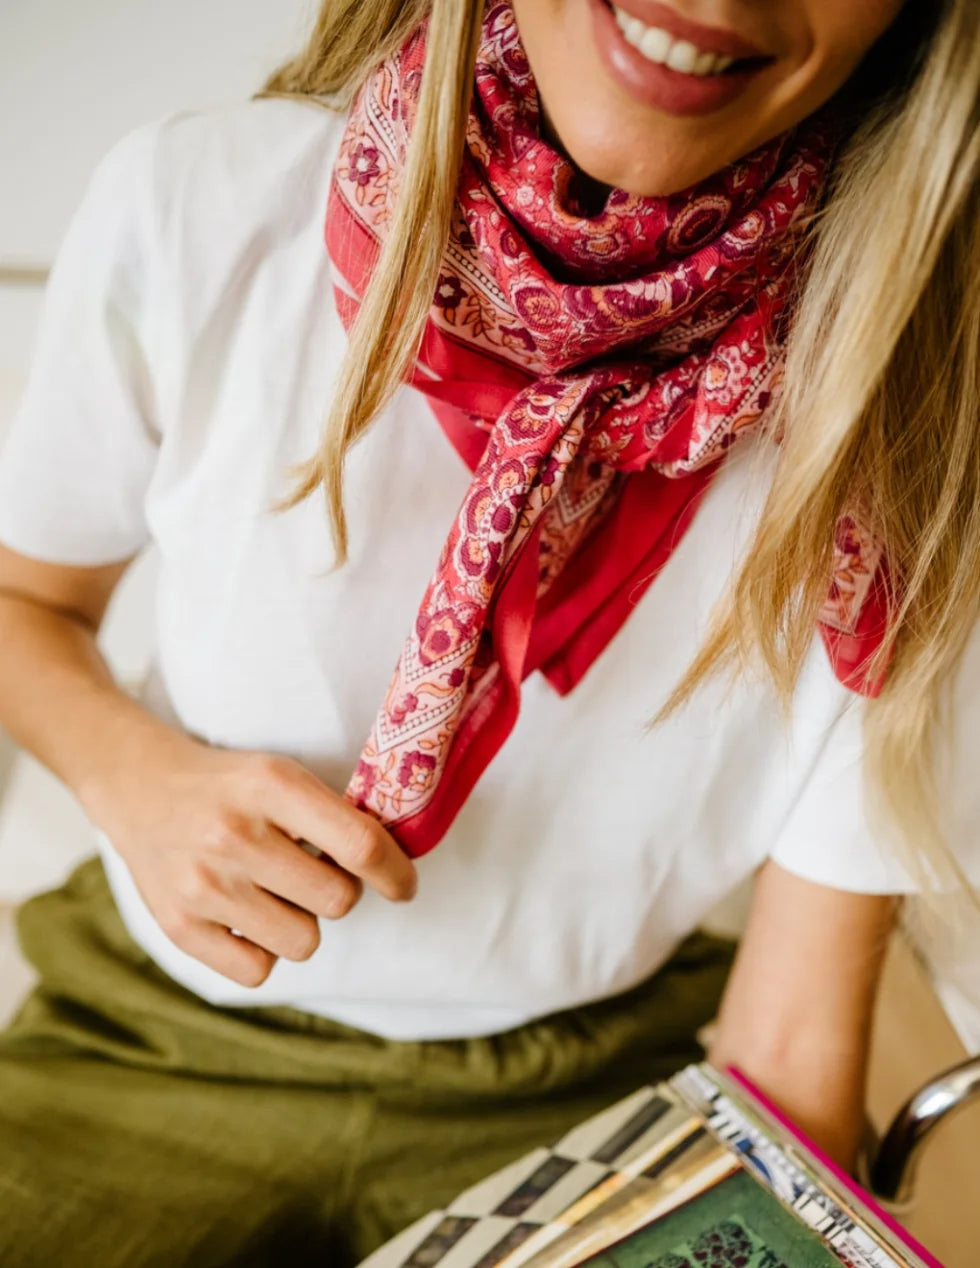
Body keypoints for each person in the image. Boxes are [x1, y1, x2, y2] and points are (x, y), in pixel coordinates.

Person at [0, 0, 976, 1263]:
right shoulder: (199, 207)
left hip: (602, 1089)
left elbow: (787, 1044)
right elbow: (24, 601)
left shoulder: (908, 421)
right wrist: (136, 781)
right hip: (150, 1040)